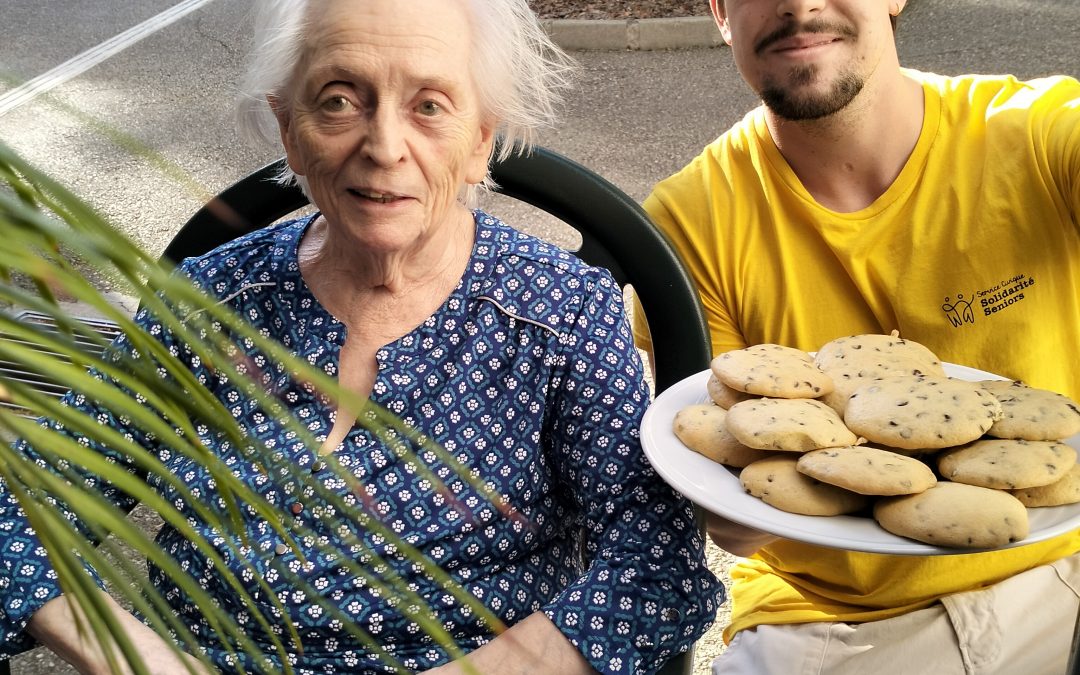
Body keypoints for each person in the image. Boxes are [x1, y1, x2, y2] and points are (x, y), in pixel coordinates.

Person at [0, 1, 723, 673]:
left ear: (479, 143)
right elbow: (20, 511)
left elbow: (654, 563)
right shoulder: (209, 305)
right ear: (289, 130)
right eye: (340, 99)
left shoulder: (559, 313)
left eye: (429, 106)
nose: (384, 146)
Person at [632, 0, 1080, 673]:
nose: (797, 4)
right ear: (722, 11)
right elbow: (728, 506)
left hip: (1064, 574)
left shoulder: (1037, 133)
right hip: (833, 621)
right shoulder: (686, 224)